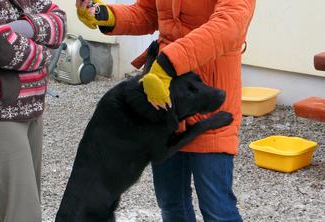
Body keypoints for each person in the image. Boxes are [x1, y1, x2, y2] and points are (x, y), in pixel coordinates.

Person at [76, 0, 255, 221]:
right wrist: (108, 15)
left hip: (206, 95)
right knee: (171, 204)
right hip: (162, 97)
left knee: (217, 208)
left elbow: (230, 26)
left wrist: (171, 61)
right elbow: (148, 12)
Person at [0, 0, 66, 221]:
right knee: (24, 213)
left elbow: (60, 21)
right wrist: (45, 54)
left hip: (32, 106)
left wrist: (21, 27)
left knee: (16, 208)